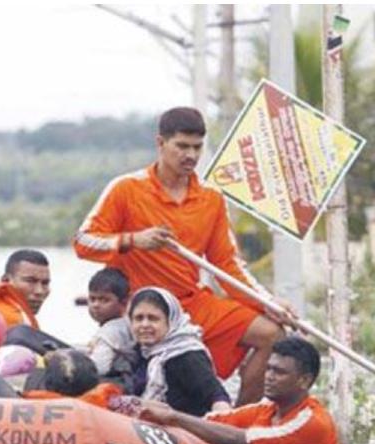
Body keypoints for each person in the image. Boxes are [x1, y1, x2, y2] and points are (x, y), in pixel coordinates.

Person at [73, 107, 291, 405]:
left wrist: (267, 302)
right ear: (161, 143)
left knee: (272, 333)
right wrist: (134, 240)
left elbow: (227, 264)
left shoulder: (211, 199)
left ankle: (238, 423)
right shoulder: (126, 188)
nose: (190, 155)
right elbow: (83, 242)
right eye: (182, 146)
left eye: (197, 147)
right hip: (140, 309)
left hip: (190, 303)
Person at [141, 336, 359, 444]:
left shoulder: (311, 422)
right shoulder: (265, 409)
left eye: (279, 372)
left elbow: (239, 440)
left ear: (304, 380)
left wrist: (174, 417)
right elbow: (214, 421)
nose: (269, 377)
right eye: (269, 369)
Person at [129, 287, 231, 416]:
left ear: (170, 320)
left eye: (153, 319)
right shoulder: (140, 352)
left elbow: (216, 397)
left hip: (185, 431)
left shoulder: (186, 355)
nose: (144, 325)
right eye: (138, 318)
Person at [85, 267, 138, 393]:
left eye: (104, 300)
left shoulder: (111, 330)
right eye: (92, 299)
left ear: (124, 302)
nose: (96, 305)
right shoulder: (129, 323)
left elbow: (98, 368)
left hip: (123, 386)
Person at [0, 249, 50, 329]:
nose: (39, 291)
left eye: (45, 283)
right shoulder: (12, 320)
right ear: (6, 280)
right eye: (30, 281)